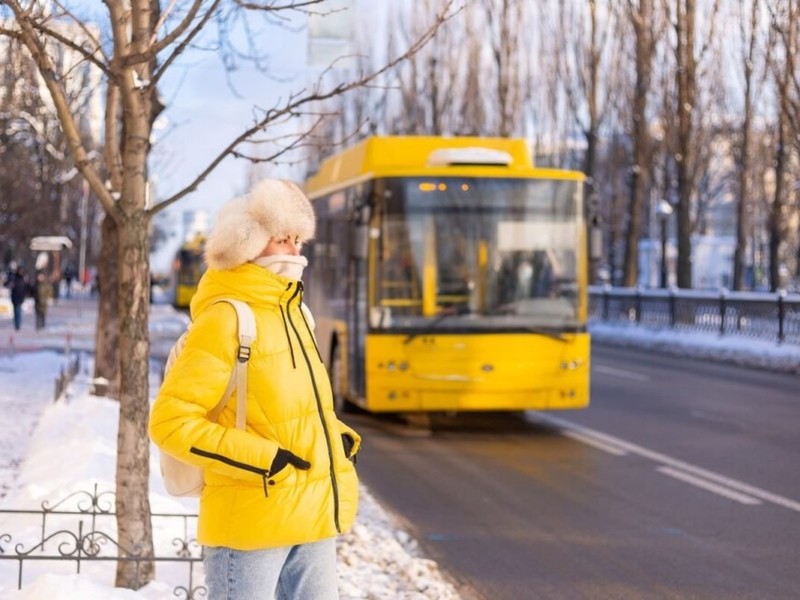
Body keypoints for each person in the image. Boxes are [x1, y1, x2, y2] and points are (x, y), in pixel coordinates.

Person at [149, 178, 361, 600]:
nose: (295, 251)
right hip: (249, 524)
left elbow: (288, 407)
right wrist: (266, 460)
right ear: (246, 244)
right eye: (283, 239)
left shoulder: (295, 313)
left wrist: (334, 437)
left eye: (297, 239)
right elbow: (171, 422)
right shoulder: (226, 319)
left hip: (313, 514)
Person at [5, 265, 30, 331]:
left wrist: (26, 294)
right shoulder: (14, 278)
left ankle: (17, 324)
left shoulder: (24, 278)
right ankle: (16, 324)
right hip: (15, 297)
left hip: (21, 297)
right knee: (16, 311)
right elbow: (8, 284)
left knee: (18, 310)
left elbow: (27, 287)